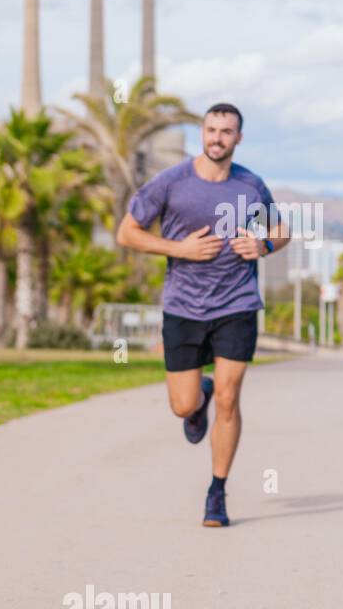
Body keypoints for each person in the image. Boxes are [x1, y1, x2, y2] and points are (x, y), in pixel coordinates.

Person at [116, 103, 290, 526]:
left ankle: (217, 493)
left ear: (238, 139)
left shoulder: (251, 185)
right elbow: (127, 232)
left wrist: (264, 246)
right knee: (182, 406)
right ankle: (200, 396)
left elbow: (281, 230)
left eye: (226, 131)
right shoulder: (171, 182)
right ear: (202, 134)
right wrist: (180, 249)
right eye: (211, 130)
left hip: (237, 304)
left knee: (232, 398)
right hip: (184, 308)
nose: (217, 138)